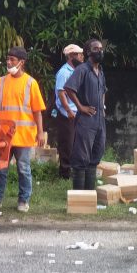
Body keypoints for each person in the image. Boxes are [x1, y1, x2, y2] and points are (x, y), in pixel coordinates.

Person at [0, 46, 46, 213]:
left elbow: (37, 111)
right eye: (8, 59)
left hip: (23, 137)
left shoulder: (31, 83)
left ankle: (23, 201)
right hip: (3, 136)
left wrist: (40, 132)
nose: (8, 62)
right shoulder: (1, 82)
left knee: (23, 169)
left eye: (12, 60)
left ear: (21, 62)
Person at [65, 39, 107, 190]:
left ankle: (90, 195)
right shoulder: (82, 69)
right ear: (88, 52)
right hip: (86, 120)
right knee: (82, 156)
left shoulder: (100, 71)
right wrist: (80, 107)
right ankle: (79, 196)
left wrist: (102, 106)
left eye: (101, 48)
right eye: (96, 48)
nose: (100, 51)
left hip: (99, 120)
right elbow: (69, 88)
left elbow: (103, 91)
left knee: (96, 154)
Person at [54, 43, 84, 179]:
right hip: (67, 114)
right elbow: (61, 93)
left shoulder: (77, 71)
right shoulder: (64, 72)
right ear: (72, 56)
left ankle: (72, 171)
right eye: (79, 54)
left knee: (75, 143)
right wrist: (68, 110)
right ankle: (64, 173)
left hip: (76, 112)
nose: (82, 57)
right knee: (67, 143)